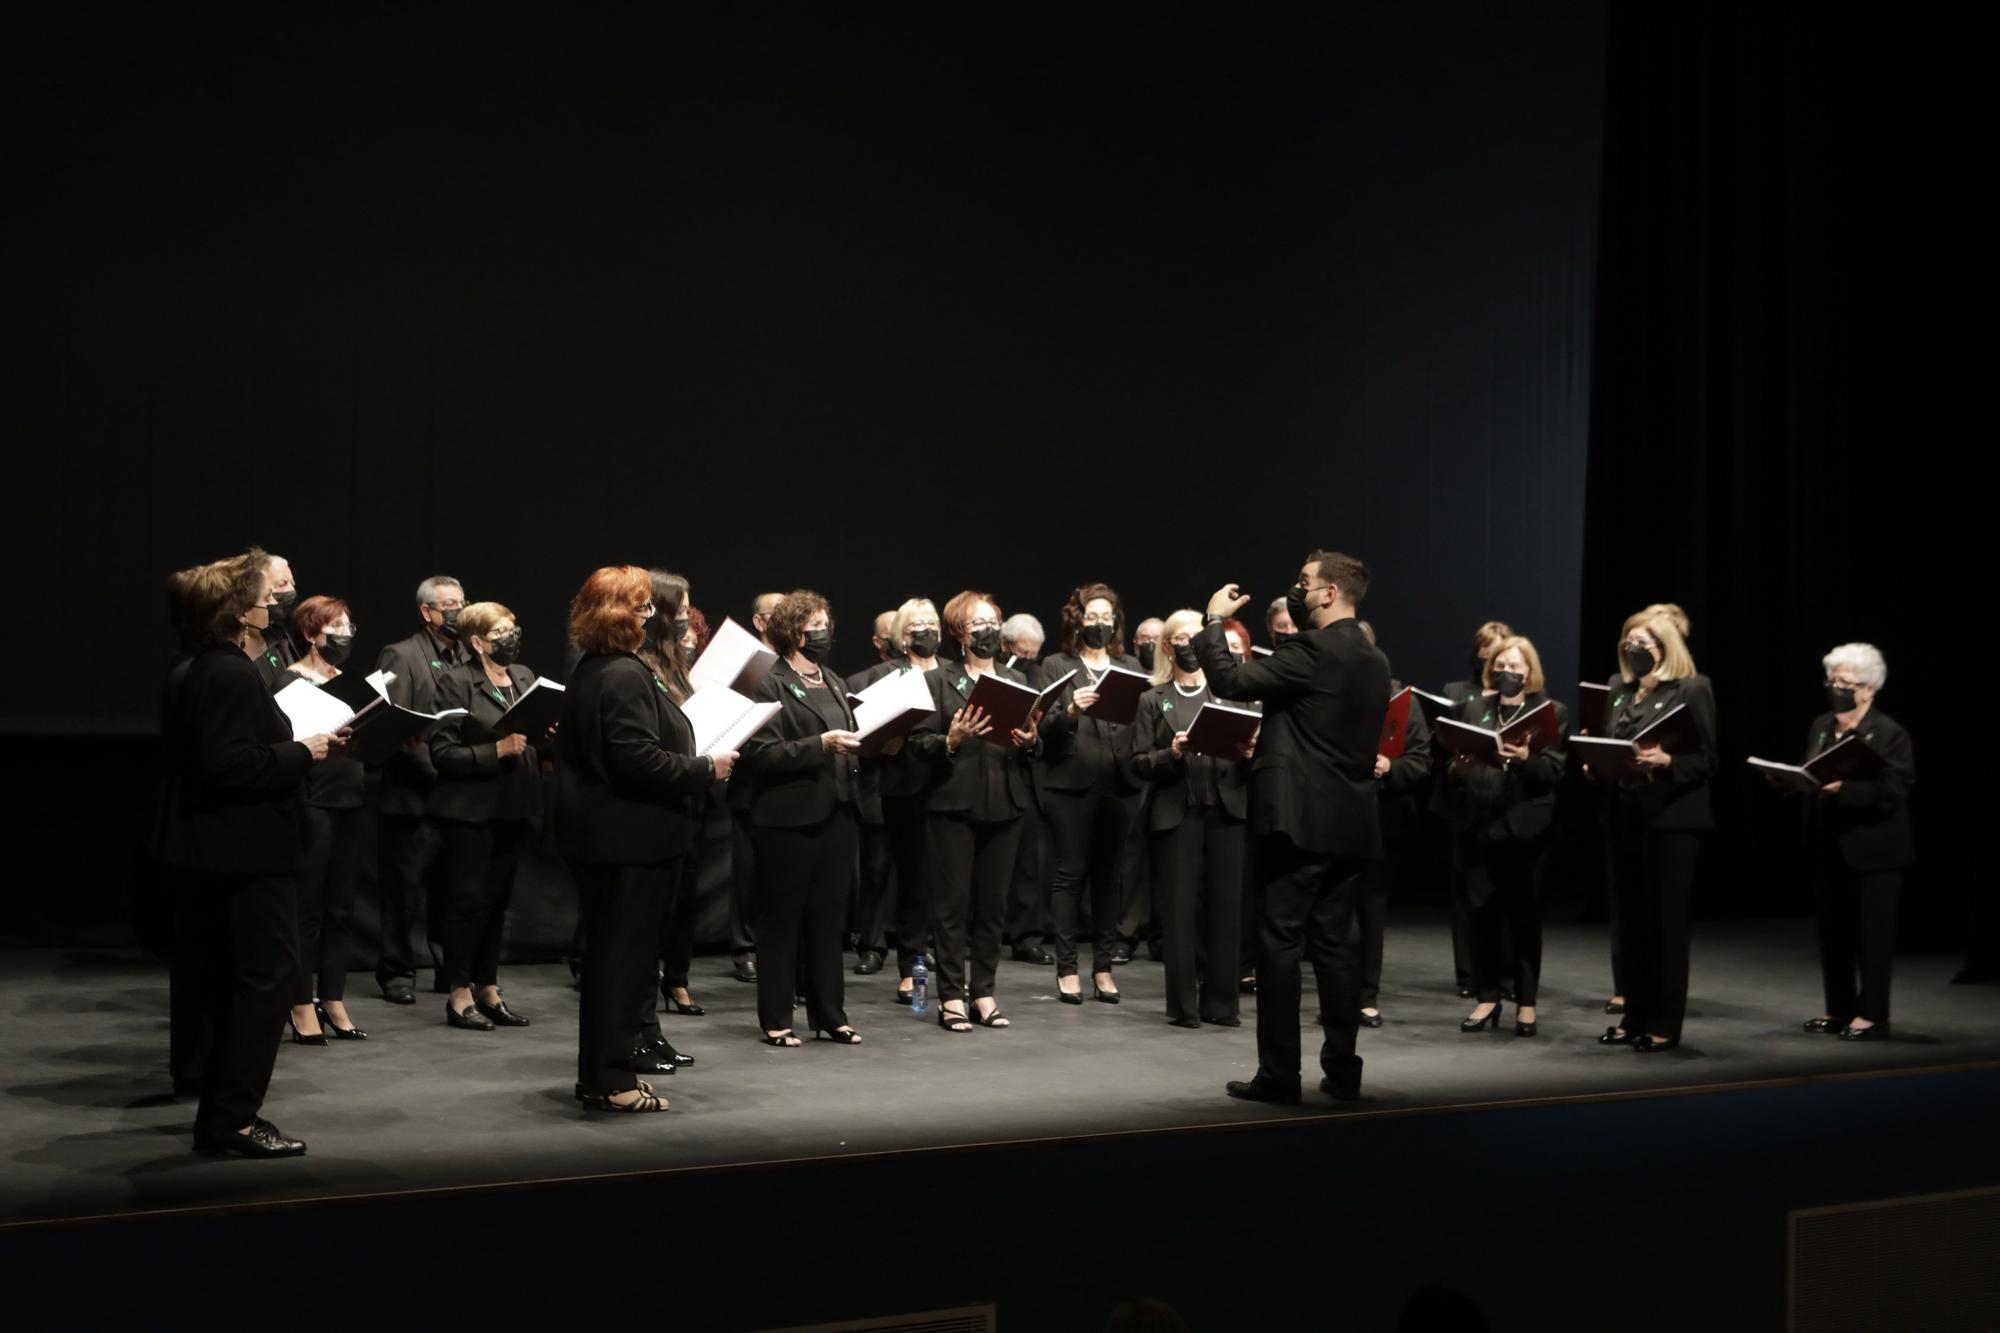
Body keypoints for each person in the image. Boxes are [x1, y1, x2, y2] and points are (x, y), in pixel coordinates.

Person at [160, 548, 342, 1156]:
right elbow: (228, 765)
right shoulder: (228, 674)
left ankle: (222, 1112)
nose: (270, 605)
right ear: (232, 612)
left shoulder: (195, 667)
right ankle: (232, 1119)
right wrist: (302, 751)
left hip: (221, 852)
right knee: (264, 981)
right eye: (261, 599)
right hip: (247, 853)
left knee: (232, 980)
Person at [1202, 551, 1390, 1104]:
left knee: (1279, 943)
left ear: (1331, 593)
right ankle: (1343, 1070)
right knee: (1336, 948)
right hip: (1350, 823)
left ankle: (1281, 1074)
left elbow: (1231, 680)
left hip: (1297, 822)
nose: (1297, 590)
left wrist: (1214, 621)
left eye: (1306, 584)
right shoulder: (1375, 659)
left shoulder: (1310, 651)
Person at [555, 567, 735, 1112]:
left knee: (615, 964)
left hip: (614, 841)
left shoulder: (598, 668)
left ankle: (602, 1077)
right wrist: (706, 767)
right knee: (621, 967)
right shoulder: (622, 675)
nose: (648, 615)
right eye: (641, 607)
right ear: (618, 614)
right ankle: (612, 1082)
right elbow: (637, 759)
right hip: (630, 843)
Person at [737, 590, 867, 1047]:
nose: (823, 631)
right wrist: (821, 745)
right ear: (793, 629)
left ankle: (830, 1014)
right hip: (787, 816)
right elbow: (761, 752)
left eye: (826, 622)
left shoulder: (830, 678)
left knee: (828, 919)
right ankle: (776, 1017)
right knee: (782, 919)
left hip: (838, 810)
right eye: (814, 623)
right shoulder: (768, 680)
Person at [907, 591, 1039, 1032]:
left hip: (1005, 800)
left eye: (992, 622)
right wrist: (951, 739)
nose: (988, 630)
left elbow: (1033, 747)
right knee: (952, 905)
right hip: (953, 803)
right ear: (959, 634)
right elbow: (917, 745)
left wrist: (1031, 741)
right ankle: (950, 996)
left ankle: (983, 991)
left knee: (992, 906)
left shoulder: (1015, 680)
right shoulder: (937, 680)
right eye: (978, 624)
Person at [1594, 609, 1716, 1052]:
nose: (1633, 649)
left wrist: (1668, 763)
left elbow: (1705, 760)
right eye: (1629, 641)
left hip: (1672, 822)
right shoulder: (1618, 689)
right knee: (1632, 924)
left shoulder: (1691, 689)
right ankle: (1634, 1016)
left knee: (1666, 925)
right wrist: (1599, 762)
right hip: (1626, 817)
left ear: (1665, 648)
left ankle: (1664, 1022)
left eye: (1643, 643)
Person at [1441, 636, 1566, 1038]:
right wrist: (1458, 770)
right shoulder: (1474, 707)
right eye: (1501, 666)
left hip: (1524, 829)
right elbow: (1452, 769)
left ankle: (1526, 1004)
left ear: (1530, 672)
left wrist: (1528, 760)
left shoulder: (1550, 713)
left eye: (1516, 667)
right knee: (1482, 919)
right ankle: (1487, 997)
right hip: (1480, 826)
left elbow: (1553, 774)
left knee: (1524, 919)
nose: (1507, 673)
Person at [1131, 610, 1251, 1028]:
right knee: (1179, 912)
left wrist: (1251, 755)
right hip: (1176, 812)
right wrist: (1172, 754)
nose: (1188, 645)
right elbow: (1138, 763)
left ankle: (1222, 1003)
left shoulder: (1230, 695)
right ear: (1167, 646)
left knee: (1225, 907)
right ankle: (1184, 1006)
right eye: (1180, 638)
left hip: (1226, 809)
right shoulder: (1152, 699)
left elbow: (1253, 754)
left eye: (1195, 638)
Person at [429, 601, 544, 1032]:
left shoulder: (524, 677)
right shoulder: (455, 683)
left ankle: (487, 987)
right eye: (500, 631)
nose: (511, 636)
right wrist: (493, 750)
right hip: (470, 811)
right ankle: (458, 993)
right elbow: (441, 752)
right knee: (466, 902)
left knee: (497, 903)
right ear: (477, 642)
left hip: (514, 806)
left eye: (513, 627)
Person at [1792, 643, 1915, 1040]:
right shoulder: (1822, 726)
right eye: (1832, 680)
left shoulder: (1890, 733)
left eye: (1846, 683)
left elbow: (1894, 789)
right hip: (1828, 844)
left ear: (1869, 689)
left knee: (1871, 937)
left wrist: (1845, 789)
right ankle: (1839, 1009)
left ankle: (1873, 1014)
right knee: (1834, 934)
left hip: (1875, 850)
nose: (1837, 688)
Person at [1039, 582, 1144, 1002]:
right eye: (1091, 616)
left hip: (1119, 783)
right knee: (1070, 874)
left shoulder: (1131, 665)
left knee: (1109, 877)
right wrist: (1070, 710)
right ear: (1076, 620)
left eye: (1106, 617)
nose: (1099, 624)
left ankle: (1103, 967)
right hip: (1071, 782)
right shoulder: (1056, 664)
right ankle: (1067, 969)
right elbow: (1041, 728)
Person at [373, 574, 469, 1004]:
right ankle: (396, 970)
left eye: (462, 603)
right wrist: (444, 770)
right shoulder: (401, 654)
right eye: (448, 604)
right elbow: (395, 731)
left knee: (452, 891)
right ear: (427, 612)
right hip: (414, 796)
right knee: (404, 893)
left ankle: (449, 970)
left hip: (457, 796)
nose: (457, 611)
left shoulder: (469, 652)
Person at [283, 595, 368, 1043]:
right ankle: (300, 1002)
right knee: (308, 907)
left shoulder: (354, 682)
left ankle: (333, 996)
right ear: (312, 633)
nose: (346, 635)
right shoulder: (289, 681)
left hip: (351, 794)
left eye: (350, 627)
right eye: (336, 627)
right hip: (313, 798)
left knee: (341, 907)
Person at [634, 570, 706, 1071]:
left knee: (667, 922)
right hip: (646, 814)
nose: (685, 617)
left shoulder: (671, 661)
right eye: (678, 609)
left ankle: (649, 1030)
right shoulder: (634, 665)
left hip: (680, 803)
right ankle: (635, 1032)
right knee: (640, 936)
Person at [851, 598, 939, 989]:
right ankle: (908, 967)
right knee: (905, 881)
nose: (926, 630)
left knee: (930, 884)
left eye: (932, 622)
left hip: (949, 790)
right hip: (900, 788)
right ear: (902, 635)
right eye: (917, 624)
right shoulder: (885, 675)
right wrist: (879, 743)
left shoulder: (954, 675)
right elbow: (864, 736)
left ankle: (925, 957)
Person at [1350, 621, 1434, 1028]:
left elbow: (1420, 760)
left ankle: (1366, 996)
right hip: (1329, 812)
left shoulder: (1398, 697)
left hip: (1378, 818)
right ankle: (1336, 993)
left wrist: (1389, 766)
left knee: (1369, 910)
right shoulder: (1326, 690)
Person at [723, 591, 786, 984]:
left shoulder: (796, 664)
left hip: (788, 782)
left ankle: (775, 947)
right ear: (760, 622)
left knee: (780, 873)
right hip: (751, 777)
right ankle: (743, 947)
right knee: (747, 870)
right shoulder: (746, 662)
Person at [1001, 611, 1055, 963]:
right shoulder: (993, 672)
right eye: (1023, 652)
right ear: (1006, 645)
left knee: (1028, 863)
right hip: (984, 771)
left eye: (1035, 654)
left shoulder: (1035, 677)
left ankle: (1027, 936)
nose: (1029, 660)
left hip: (1024, 773)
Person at [256, 552, 301, 678]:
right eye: (283, 584)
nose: (291, 590)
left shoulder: (284, 636)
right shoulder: (248, 638)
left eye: (292, 584)